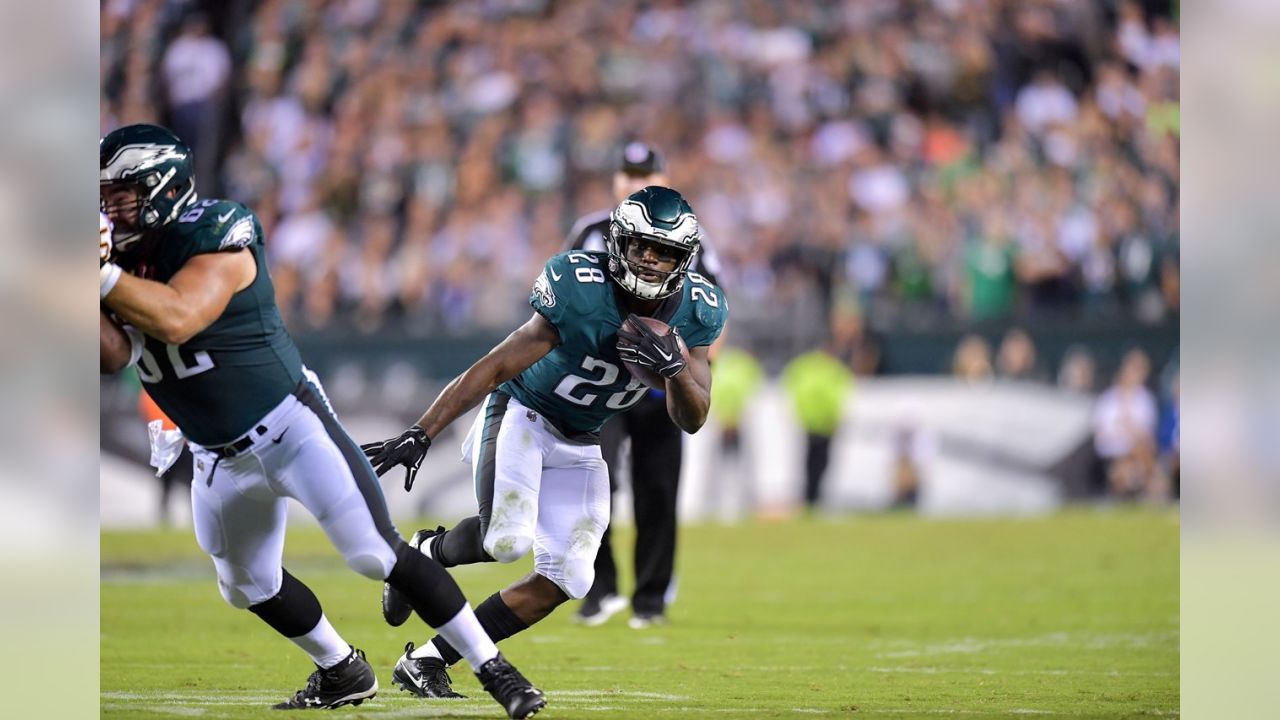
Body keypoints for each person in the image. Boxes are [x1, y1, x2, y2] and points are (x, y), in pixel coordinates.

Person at [98, 124, 545, 719]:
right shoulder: (124, 254)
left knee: (373, 553)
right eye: (103, 195)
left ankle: (496, 670)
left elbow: (180, 317)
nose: (108, 208)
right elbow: (115, 354)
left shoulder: (217, 229)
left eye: (121, 193)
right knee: (244, 584)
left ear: (162, 186)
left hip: (289, 426)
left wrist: (101, 276)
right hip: (215, 452)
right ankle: (341, 669)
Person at [364, 186, 727, 699]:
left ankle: (427, 660)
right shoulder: (579, 286)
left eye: (664, 250)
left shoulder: (698, 310)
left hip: (582, 439)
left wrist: (676, 372)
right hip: (522, 412)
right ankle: (427, 550)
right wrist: (422, 431)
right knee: (506, 540)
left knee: (569, 578)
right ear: (618, 242)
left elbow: (693, 417)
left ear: (683, 259)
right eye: (642, 246)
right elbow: (496, 365)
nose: (650, 260)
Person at [563, 142, 725, 628]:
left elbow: (715, 304)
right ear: (615, 180)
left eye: (645, 173)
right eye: (627, 173)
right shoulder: (590, 231)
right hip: (603, 383)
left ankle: (651, 599)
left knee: (658, 489)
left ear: (663, 176)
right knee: (596, 484)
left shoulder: (692, 239)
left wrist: (693, 369)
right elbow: (565, 303)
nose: (635, 182)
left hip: (660, 384)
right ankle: (600, 588)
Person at [780, 345, 855, 510]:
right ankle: (812, 499)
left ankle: (812, 499)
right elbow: (835, 397)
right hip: (822, 425)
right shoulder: (832, 372)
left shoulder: (806, 370)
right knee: (817, 464)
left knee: (813, 464)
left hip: (815, 425)